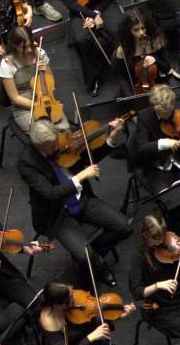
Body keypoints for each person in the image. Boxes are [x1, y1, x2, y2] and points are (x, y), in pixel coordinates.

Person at [17, 121, 132, 283]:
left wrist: (110, 139)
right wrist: (81, 176)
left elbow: (84, 157)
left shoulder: (62, 140)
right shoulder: (26, 162)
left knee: (124, 226)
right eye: (52, 146)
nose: (57, 147)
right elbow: (51, 194)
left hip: (81, 199)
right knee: (84, 256)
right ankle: (97, 265)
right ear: (39, 146)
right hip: (57, 214)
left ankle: (94, 255)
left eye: (57, 141)